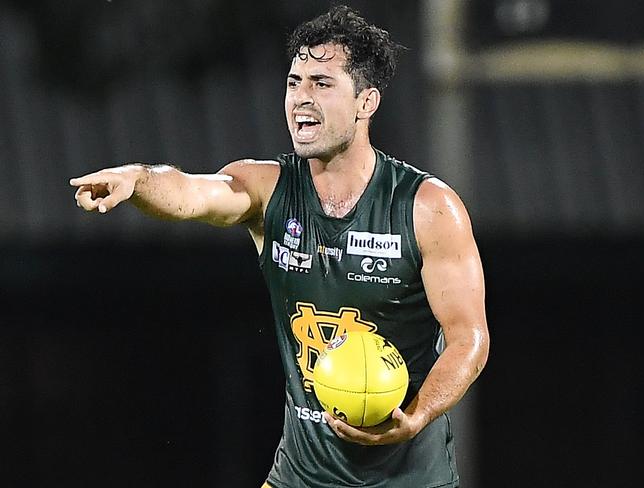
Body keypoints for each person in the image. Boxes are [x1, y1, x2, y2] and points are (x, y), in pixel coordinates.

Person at [70, 5, 489, 488]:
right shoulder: (268, 189)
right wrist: (138, 179)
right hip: (299, 478)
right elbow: (189, 193)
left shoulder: (427, 207)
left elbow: (469, 340)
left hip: (413, 480)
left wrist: (416, 416)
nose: (300, 98)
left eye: (322, 84)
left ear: (366, 102)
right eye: (294, 82)